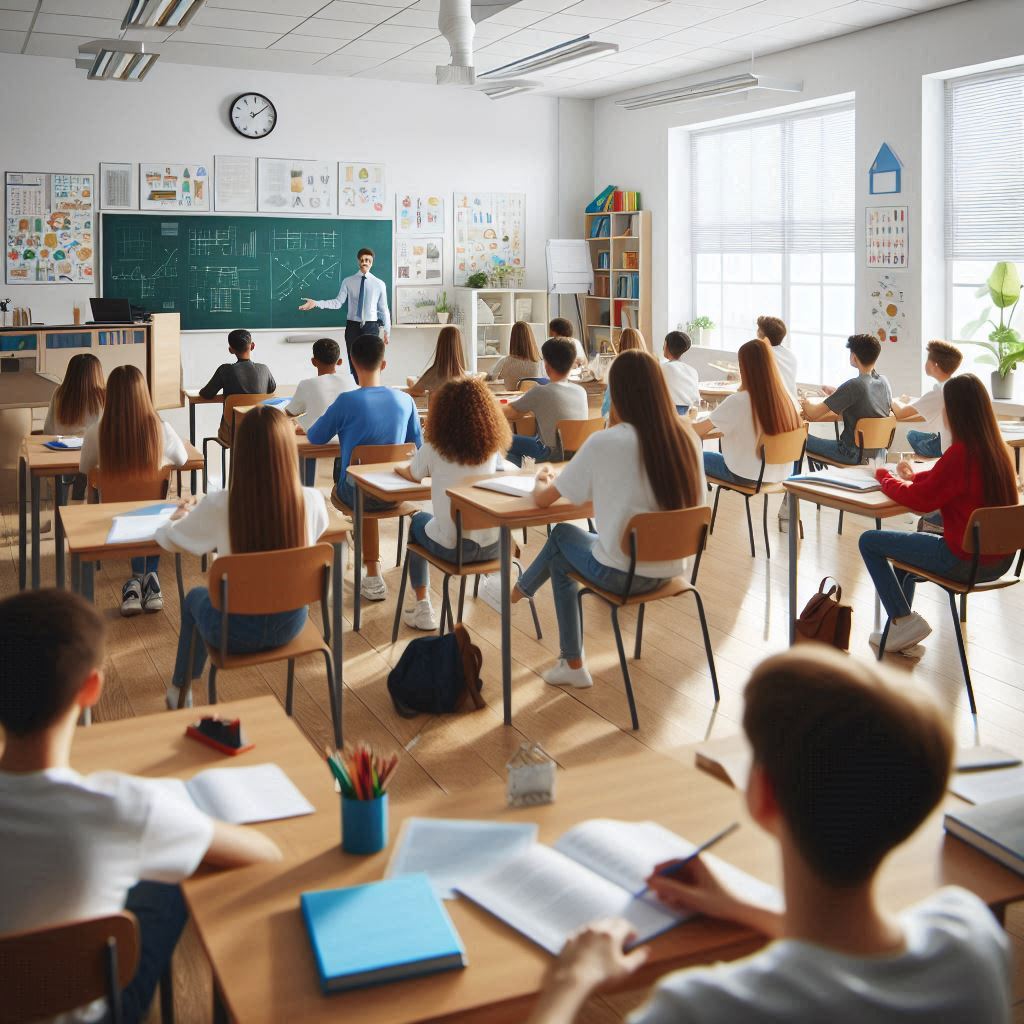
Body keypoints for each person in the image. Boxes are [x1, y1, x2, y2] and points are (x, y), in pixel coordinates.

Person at [525, 647, 1012, 1024]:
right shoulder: (972, 938)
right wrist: (740, 908)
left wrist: (572, 980)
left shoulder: (704, 1008)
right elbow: (852, 960)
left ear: (764, 797)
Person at [0, 589, 282, 1024]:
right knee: (170, 877)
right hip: (95, 1014)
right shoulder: (119, 808)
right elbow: (263, 854)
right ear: (91, 687)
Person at [513, 350, 705, 688]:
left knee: (560, 538)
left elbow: (544, 501)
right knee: (565, 546)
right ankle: (520, 596)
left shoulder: (605, 442)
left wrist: (542, 478)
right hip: (673, 570)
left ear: (617, 393)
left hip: (623, 575)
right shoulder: (687, 437)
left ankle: (563, 651)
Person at [156, 406, 329, 710]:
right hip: (292, 623)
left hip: (234, 633)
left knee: (194, 598)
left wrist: (178, 515)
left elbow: (172, 540)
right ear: (289, 449)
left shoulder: (222, 504)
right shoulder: (312, 501)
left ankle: (179, 690)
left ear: (241, 451)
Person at [859, 374, 1019, 653]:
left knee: (870, 541)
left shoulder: (961, 453)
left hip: (962, 560)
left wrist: (884, 476)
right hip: (1000, 561)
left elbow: (920, 502)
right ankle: (901, 628)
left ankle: (903, 621)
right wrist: (913, 478)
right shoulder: (1000, 451)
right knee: (904, 553)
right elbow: (944, 484)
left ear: (956, 412)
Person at [306, 334, 422, 602]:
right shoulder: (405, 401)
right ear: (384, 364)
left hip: (357, 496)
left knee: (358, 488)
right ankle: (378, 572)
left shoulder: (347, 401)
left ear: (351, 363)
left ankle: (371, 572)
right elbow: (418, 447)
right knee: (371, 484)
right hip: (395, 492)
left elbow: (315, 438)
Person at [395, 377, 511, 630]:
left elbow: (413, 475)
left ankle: (423, 605)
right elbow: (503, 473)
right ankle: (485, 585)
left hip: (456, 549)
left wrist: (399, 467)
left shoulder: (434, 448)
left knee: (416, 522)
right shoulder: (491, 450)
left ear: (442, 413)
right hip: (497, 546)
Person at [80, 365, 188, 617]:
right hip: (155, 517)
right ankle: (150, 580)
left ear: (111, 394)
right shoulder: (161, 429)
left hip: (112, 520)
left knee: (134, 512)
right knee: (150, 511)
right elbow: (182, 460)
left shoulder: (97, 430)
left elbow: (85, 468)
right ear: (144, 393)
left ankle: (135, 583)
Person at [693, 338, 801, 486]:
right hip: (781, 474)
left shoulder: (739, 401)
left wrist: (680, 420)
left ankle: (684, 507)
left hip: (746, 475)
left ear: (744, 367)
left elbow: (697, 430)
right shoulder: (788, 398)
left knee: (688, 456)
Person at [298, 247, 391, 383]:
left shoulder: (379, 284)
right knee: (353, 361)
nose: (365, 262)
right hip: (353, 327)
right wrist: (317, 303)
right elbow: (337, 303)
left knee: (371, 362)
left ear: (372, 262)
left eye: (368, 260)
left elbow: (383, 309)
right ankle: (356, 388)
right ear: (358, 261)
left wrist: (387, 331)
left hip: (371, 326)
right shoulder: (348, 281)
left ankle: (370, 388)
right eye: (363, 260)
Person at [801, 334, 892, 464]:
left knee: (800, 437)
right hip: (878, 454)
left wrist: (805, 401)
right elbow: (866, 406)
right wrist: (837, 394)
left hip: (850, 453)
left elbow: (813, 413)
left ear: (854, 357)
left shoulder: (854, 385)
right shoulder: (884, 381)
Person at [503, 338, 588, 467]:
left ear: (547, 366)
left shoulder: (541, 392)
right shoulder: (581, 391)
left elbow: (511, 413)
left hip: (550, 455)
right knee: (525, 444)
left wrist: (487, 404)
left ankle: (526, 472)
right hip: (576, 454)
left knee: (498, 441)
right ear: (571, 364)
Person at [286, 336, 356, 485]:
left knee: (294, 431)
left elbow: (290, 412)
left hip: (319, 440)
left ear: (313, 361)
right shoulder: (351, 380)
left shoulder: (307, 385)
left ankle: (306, 488)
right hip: (348, 439)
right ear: (340, 362)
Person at [43, 351, 105, 501]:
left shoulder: (59, 393)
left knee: (69, 483)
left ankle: (71, 497)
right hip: (94, 460)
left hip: (62, 458)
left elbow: (48, 430)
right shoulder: (103, 395)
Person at [198, 328, 277, 445]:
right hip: (261, 431)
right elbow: (271, 390)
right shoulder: (264, 369)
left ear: (230, 350)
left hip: (233, 433)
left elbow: (206, 393)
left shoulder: (225, 370)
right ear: (253, 346)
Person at [891, 340, 963, 458]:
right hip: (956, 442)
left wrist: (890, 398)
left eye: (927, 360)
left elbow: (900, 414)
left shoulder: (939, 393)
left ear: (935, 365)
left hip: (945, 447)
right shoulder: (955, 386)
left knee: (911, 435)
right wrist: (905, 401)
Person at [407, 324, 467, 397]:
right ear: (459, 346)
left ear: (440, 345)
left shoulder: (433, 374)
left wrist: (411, 383)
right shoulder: (465, 377)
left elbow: (414, 391)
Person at [600, 328, 646, 418]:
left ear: (622, 344)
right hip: (646, 423)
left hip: (621, 422)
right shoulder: (651, 366)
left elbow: (605, 411)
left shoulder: (617, 367)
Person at [487, 320, 544, 390]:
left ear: (512, 339)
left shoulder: (505, 361)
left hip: (513, 398)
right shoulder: (539, 362)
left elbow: (492, 378)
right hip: (532, 398)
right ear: (530, 337)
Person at [756, 315, 797, 398]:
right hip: (791, 404)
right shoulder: (790, 355)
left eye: (759, 329)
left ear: (762, 333)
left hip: (770, 403)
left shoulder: (760, 353)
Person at [660, 330, 699, 415]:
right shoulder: (693, 371)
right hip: (687, 412)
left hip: (668, 412)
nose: (662, 347)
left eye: (664, 344)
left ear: (666, 346)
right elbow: (696, 397)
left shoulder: (663, 368)